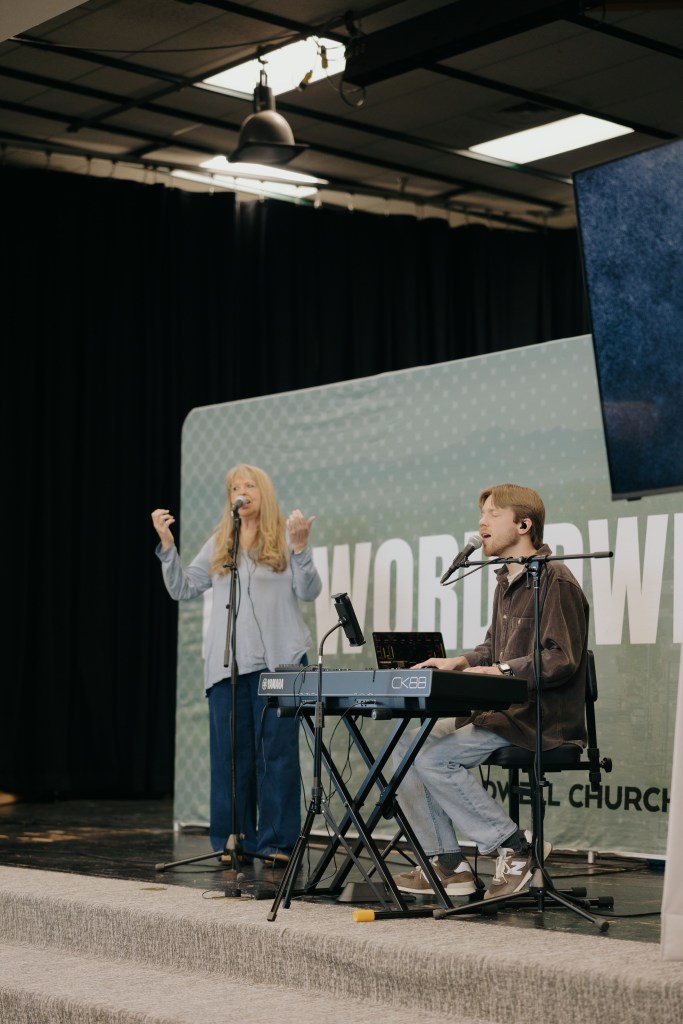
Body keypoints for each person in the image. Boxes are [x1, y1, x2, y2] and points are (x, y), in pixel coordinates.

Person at [392, 483, 589, 900]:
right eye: (481, 514)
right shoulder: (506, 581)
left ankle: (516, 849)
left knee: (434, 758)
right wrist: (459, 662)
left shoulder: (555, 579)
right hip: (502, 712)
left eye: (493, 514)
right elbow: (492, 649)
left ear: (523, 525)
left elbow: (561, 658)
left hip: (538, 718)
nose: (481, 523)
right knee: (405, 748)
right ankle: (449, 866)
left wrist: (502, 669)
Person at [151, 463, 322, 863]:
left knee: (276, 756)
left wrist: (300, 549)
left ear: (264, 492)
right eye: (234, 488)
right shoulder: (220, 543)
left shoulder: (285, 537)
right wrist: (167, 546)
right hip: (227, 669)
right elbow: (182, 588)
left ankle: (277, 844)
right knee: (230, 757)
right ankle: (234, 840)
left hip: (278, 666)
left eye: (248, 485)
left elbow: (309, 590)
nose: (240, 492)